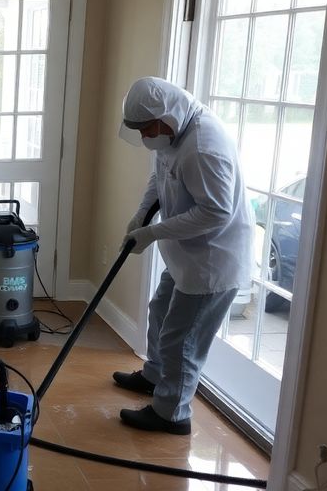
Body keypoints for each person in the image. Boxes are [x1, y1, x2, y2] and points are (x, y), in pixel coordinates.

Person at [112, 77, 253, 435]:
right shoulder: (174, 132)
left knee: (183, 337)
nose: (145, 137)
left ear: (165, 117)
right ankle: (155, 375)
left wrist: (153, 232)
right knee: (160, 312)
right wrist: (141, 216)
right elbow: (158, 179)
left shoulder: (205, 147)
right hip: (186, 252)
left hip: (211, 262)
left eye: (147, 129)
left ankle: (171, 413)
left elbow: (216, 212)